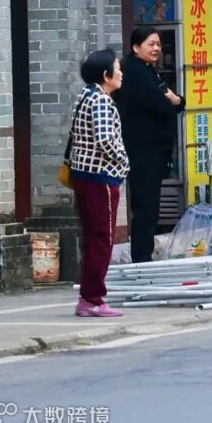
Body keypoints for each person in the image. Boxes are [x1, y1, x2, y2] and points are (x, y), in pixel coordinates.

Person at [66, 50, 129, 317]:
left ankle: (89, 297)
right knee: (102, 239)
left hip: (83, 175)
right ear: (106, 75)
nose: (121, 73)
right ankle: (92, 299)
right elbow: (105, 139)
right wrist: (124, 160)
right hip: (100, 176)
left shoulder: (86, 94)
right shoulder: (102, 100)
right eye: (117, 68)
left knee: (93, 237)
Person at [114, 26, 184, 263]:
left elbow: (171, 101)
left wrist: (177, 101)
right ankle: (141, 257)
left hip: (151, 147)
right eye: (150, 44)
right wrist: (175, 102)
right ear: (136, 47)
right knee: (145, 205)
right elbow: (162, 104)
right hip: (143, 148)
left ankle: (143, 254)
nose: (156, 48)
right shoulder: (135, 72)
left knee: (149, 204)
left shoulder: (147, 70)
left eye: (158, 44)